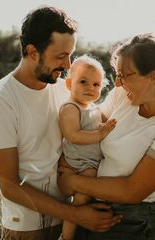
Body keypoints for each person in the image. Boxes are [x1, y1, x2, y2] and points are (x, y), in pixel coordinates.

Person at [0, 6, 121, 240]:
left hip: (71, 217)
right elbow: (9, 185)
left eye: (70, 55)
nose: (68, 65)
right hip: (28, 227)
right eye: (60, 56)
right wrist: (76, 215)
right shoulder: (0, 101)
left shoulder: (65, 90)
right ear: (33, 51)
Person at [58, 33, 155, 240]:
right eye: (117, 74)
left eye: (125, 76)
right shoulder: (123, 96)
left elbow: (131, 190)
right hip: (88, 207)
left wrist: (72, 182)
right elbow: (89, 127)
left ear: (153, 77)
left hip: (129, 223)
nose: (117, 83)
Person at [58, 55, 117, 240]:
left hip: (88, 162)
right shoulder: (71, 107)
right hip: (78, 164)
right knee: (80, 200)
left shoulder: (93, 108)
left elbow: (101, 124)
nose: (90, 88)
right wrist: (99, 134)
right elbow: (72, 135)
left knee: (91, 195)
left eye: (96, 84)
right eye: (83, 81)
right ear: (69, 84)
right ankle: (65, 237)